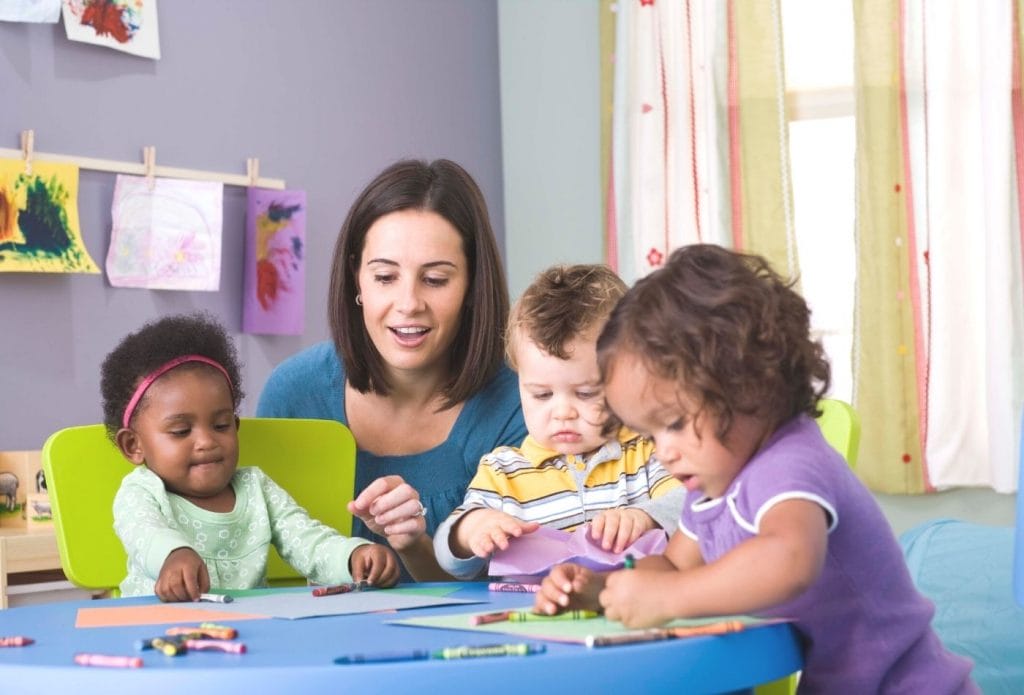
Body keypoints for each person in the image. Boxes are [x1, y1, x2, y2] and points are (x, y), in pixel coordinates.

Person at [534, 245, 976, 693]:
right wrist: (602, 590)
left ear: (747, 382)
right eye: (650, 434)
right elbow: (672, 565)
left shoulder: (791, 461)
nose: (664, 451)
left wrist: (668, 598)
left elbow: (789, 558)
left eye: (675, 424)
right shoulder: (712, 485)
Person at [257, 159, 528, 581]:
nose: (408, 304)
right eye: (385, 277)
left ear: (472, 286)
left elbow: (510, 590)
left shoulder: (521, 405)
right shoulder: (293, 394)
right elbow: (258, 565)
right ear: (357, 279)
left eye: (435, 280)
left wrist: (413, 544)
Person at [102, 313, 400, 601]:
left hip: (247, 627)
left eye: (221, 425)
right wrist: (173, 555)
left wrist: (352, 556)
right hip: (159, 626)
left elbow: (307, 540)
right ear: (133, 445)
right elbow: (145, 534)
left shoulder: (256, 488)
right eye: (181, 431)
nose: (206, 441)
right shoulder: (141, 492)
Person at [433, 264, 684, 580]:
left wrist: (645, 516)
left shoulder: (645, 451)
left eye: (585, 393)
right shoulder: (503, 473)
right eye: (541, 395)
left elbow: (694, 505)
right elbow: (447, 555)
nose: (562, 412)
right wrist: (472, 529)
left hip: (626, 602)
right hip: (531, 608)